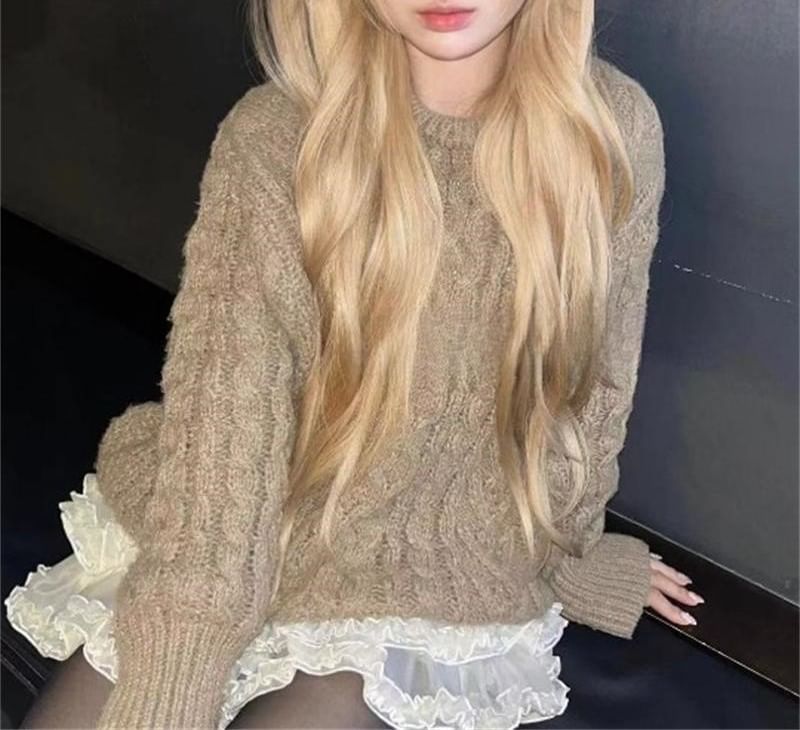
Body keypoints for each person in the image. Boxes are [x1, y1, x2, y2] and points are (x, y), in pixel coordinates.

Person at [5, 0, 704, 728]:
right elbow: (226, 422)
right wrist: (177, 669)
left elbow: (593, 390)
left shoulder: (609, 129)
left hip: (443, 560)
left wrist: (565, 550)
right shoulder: (277, 135)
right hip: (241, 520)